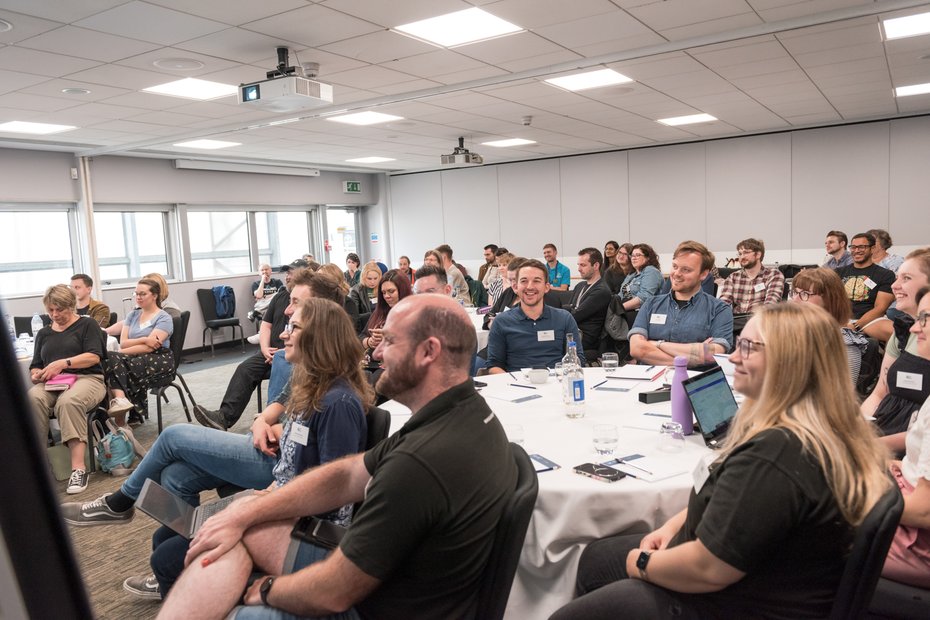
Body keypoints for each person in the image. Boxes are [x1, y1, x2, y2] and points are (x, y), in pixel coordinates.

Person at [157, 294, 516, 620]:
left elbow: (334, 592)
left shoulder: (420, 462)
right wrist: (246, 511)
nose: (375, 354)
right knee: (238, 529)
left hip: (374, 606)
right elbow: (346, 475)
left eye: (389, 341)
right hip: (394, 578)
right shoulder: (459, 414)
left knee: (240, 612)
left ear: (428, 352)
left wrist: (266, 589)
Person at [551, 303, 891, 620]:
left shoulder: (776, 454)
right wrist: (673, 527)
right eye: (738, 344)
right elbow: (732, 496)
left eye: (750, 348)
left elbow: (708, 569)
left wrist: (641, 563)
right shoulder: (826, 427)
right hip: (772, 575)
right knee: (598, 558)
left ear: (791, 362)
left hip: (732, 600)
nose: (734, 357)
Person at [61, 297, 371, 600]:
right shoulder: (314, 391)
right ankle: (189, 584)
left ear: (319, 339)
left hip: (299, 524)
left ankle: (169, 564)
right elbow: (301, 462)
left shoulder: (337, 403)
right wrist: (274, 445)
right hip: (278, 501)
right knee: (170, 509)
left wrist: (255, 510)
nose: (284, 334)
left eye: (294, 327)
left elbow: (335, 496)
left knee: (167, 555)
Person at [193, 264, 310, 431]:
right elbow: (266, 326)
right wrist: (264, 348)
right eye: (287, 273)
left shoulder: (309, 301)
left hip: (291, 355)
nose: (288, 276)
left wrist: (280, 354)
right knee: (245, 368)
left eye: (292, 273)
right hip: (269, 351)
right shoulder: (280, 297)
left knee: (282, 367)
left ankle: (273, 423)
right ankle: (224, 417)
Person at [28, 284, 107, 494]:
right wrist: (36, 374)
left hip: (88, 378)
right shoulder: (44, 333)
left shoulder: (87, 325)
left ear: (71, 306)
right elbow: (35, 364)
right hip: (53, 382)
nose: (55, 315)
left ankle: (78, 469)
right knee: (32, 399)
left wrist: (63, 363)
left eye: (60, 310)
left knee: (68, 402)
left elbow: (93, 356)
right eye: (51, 310)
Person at [881, 286, 930, 588]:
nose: (915, 327)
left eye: (925, 319)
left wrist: (854, 495)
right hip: (909, 493)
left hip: (915, 545)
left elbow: (923, 512)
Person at [629, 241, 733, 368]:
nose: (677, 273)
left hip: (694, 382)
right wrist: (693, 357)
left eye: (686, 270)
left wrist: (657, 344)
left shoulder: (719, 310)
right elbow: (636, 348)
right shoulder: (651, 304)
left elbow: (713, 354)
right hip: (650, 381)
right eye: (675, 266)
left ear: (704, 274)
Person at [861, 248, 930, 436]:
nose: (894, 286)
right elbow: (879, 393)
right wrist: (856, 429)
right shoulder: (902, 332)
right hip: (883, 429)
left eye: (906, 278)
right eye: (897, 277)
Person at [487, 259, 583, 372]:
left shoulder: (564, 319)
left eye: (536, 281)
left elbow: (578, 359)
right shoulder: (501, 321)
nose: (530, 287)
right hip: (517, 386)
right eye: (524, 281)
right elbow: (494, 365)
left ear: (547, 287)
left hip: (556, 383)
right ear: (515, 287)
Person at [104, 277, 174, 426]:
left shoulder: (164, 318)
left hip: (158, 358)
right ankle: (122, 404)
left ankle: (119, 415)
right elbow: (123, 342)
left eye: (142, 294)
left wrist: (126, 351)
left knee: (113, 362)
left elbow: (151, 347)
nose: (138, 297)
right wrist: (145, 339)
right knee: (111, 361)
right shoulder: (133, 315)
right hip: (133, 357)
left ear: (154, 295)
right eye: (136, 293)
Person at [788, 267, 869, 384]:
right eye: (795, 292)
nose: (795, 300)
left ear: (828, 299)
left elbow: (842, 396)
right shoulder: (792, 333)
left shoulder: (845, 344)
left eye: (805, 293)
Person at [836, 232, 895, 339]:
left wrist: (856, 325)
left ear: (872, 249)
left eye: (861, 247)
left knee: (893, 332)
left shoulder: (885, 275)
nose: (856, 250)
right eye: (853, 247)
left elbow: (880, 308)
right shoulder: (838, 273)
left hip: (870, 321)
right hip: (841, 319)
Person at [717, 238, 785, 317]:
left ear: (758, 254)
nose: (742, 257)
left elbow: (771, 304)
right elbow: (723, 303)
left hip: (761, 320)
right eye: (740, 253)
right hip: (736, 322)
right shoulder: (733, 277)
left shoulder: (773, 275)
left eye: (746, 252)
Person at [361, 269, 413, 363]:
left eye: (391, 291)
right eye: (384, 292)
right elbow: (361, 336)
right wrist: (369, 341)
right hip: (370, 363)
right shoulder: (379, 312)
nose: (386, 296)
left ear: (403, 290)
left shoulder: (413, 314)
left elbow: (414, 346)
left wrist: (388, 339)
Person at [569, 248, 611, 362]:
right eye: (578, 265)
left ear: (596, 265)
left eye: (583, 265)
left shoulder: (601, 290)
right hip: (574, 331)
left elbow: (575, 315)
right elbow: (571, 308)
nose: (579, 269)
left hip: (586, 338)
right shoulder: (580, 286)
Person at [618, 243, 663, 312]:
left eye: (638, 255)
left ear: (647, 258)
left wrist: (619, 308)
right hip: (625, 311)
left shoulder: (651, 271)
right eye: (632, 255)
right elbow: (620, 295)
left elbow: (644, 298)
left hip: (642, 312)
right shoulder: (631, 274)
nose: (633, 258)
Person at [347, 262, 382, 333]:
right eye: (369, 279)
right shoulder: (355, 291)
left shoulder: (382, 288)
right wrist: (370, 316)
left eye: (375, 278)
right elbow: (354, 316)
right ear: (363, 277)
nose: (373, 282)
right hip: (365, 328)